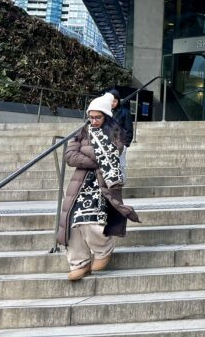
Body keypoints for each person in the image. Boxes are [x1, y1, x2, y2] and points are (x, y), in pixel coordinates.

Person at [56, 94, 140, 281]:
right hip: (80, 184)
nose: (93, 121)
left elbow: (114, 151)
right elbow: (70, 156)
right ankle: (80, 263)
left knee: (92, 220)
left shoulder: (115, 131)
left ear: (106, 116)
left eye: (97, 117)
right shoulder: (82, 131)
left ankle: (103, 251)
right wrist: (97, 158)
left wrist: (85, 154)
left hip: (103, 184)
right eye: (91, 117)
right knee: (73, 222)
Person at [106, 89, 133, 182]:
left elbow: (129, 129)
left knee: (120, 165)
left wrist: (126, 144)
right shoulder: (105, 112)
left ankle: (120, 183)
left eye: (115, 101)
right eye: (111, 101)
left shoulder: (125, 112)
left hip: (120, 143)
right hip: (107, 143)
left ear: (118, 101)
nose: (113, 103)